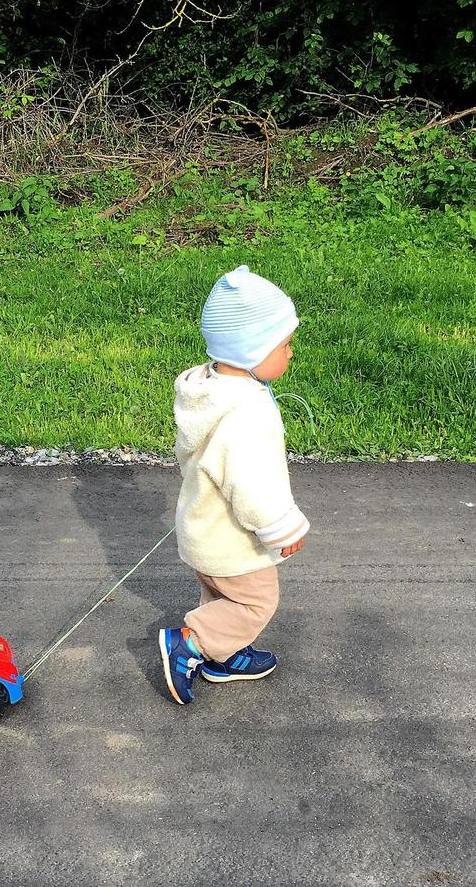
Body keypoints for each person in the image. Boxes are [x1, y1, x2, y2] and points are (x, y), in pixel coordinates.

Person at [157, 265, 308, 705]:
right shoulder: (246, 412)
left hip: (201, 528)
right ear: (252, 349)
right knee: (254, 604)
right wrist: (281, 527)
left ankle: (226, 658)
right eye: (284, 345)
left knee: (220, 596)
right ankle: (192, 643)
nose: (290, 353)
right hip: (231, 541)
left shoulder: (207, 392)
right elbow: (250, 483)